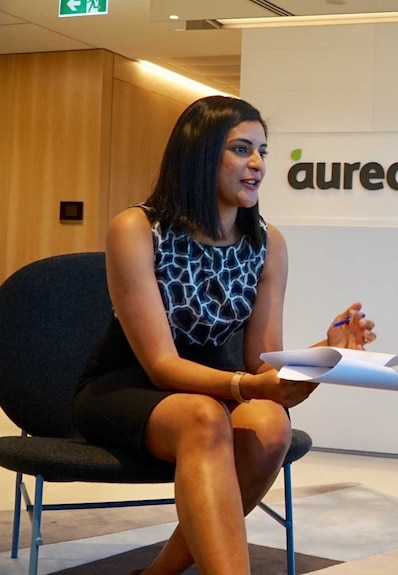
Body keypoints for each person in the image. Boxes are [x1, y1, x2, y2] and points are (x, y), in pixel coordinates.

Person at [73, 95, 376, 575]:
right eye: (241, 149)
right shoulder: (137, 228)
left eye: (262, 151)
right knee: (204, 417)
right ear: (200, 154)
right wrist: (247, 386)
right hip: (127, 387)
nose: (257, 164)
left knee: (271, 423)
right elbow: (162, 365)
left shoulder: (267, 242)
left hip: (216, 387)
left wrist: (328, 348)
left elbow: (261, 362)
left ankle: (158, 574)